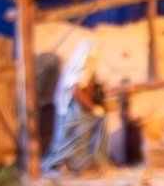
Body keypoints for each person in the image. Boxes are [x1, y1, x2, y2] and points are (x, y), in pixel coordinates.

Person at [41, 42, 112, 174]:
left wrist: (96, 106)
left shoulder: (89, 70)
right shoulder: (77, 70)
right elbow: (76, 91)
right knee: (71, 138)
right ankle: (55, 164)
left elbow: (88, 89)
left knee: (88, 134)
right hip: (73, 110)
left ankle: (85, 164)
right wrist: (93, 108)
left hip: (82, 110)